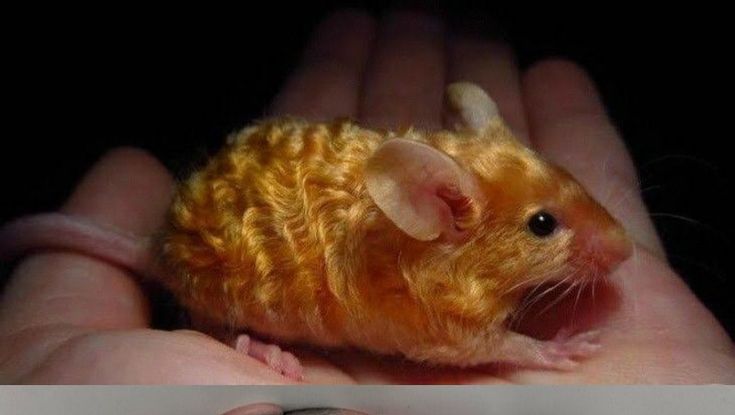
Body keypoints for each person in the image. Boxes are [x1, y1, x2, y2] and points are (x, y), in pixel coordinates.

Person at [1, 10, 733, 384]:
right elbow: (434, 336)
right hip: (222, 266)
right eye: (544, 226)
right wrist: (532, 356)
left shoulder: (444, 207)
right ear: (441, 211)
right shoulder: (426, 282)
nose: (610, 250)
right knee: (249, 281)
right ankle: (225, 327)